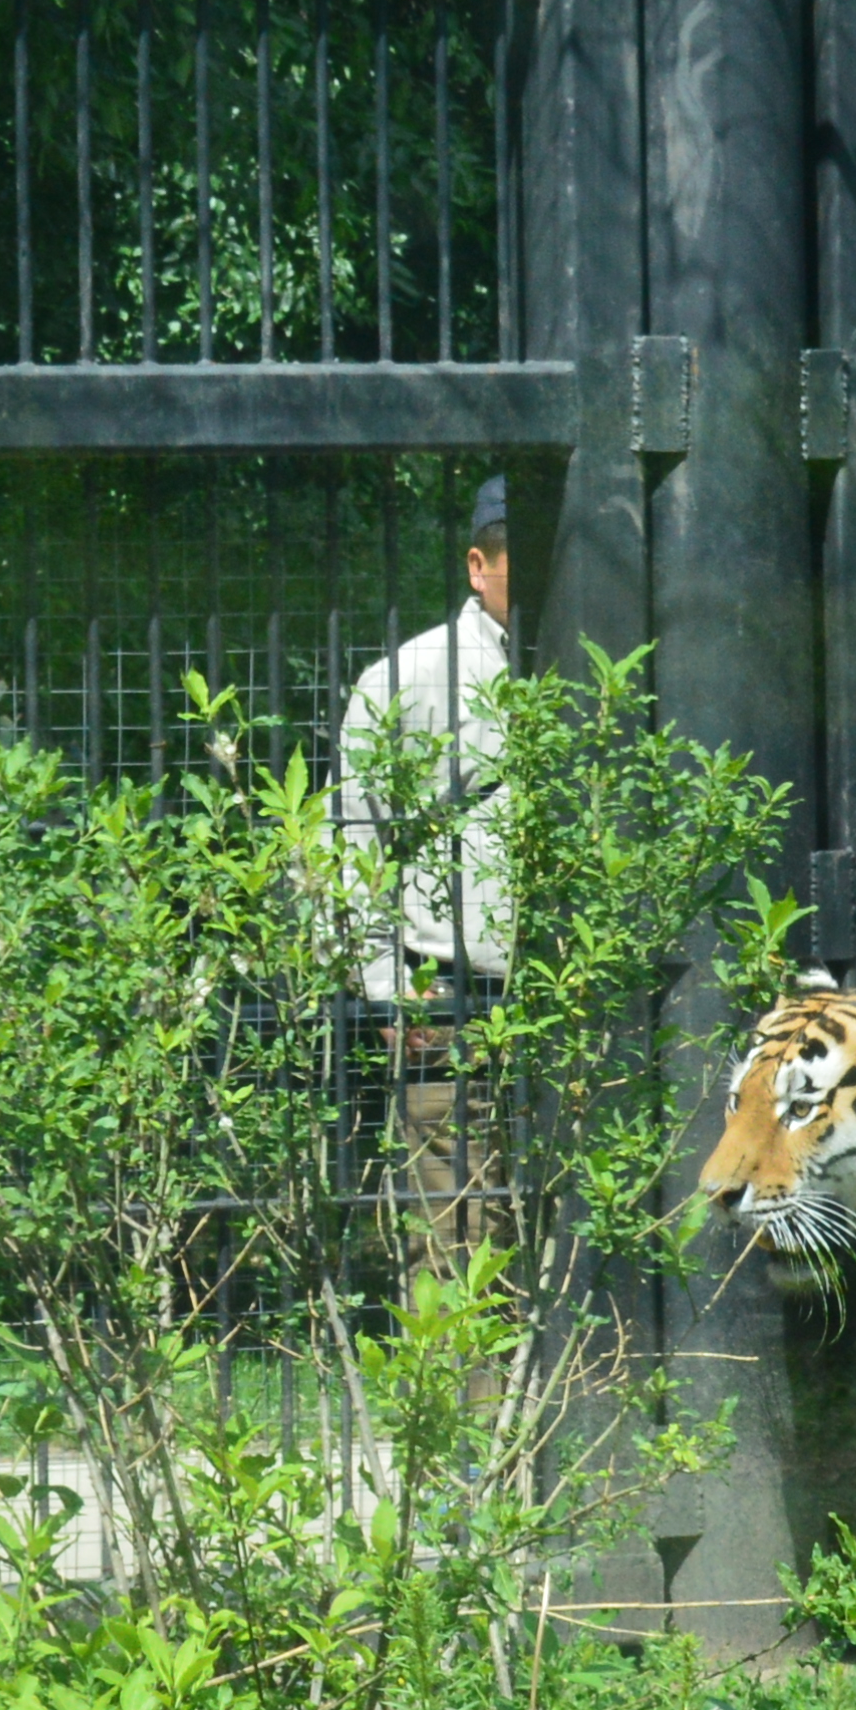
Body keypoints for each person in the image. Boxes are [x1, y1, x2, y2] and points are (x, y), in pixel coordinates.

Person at [339, 476, 519, 1241]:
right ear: (479, 566)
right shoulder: (406, 680)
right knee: (454, 1250)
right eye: (521, 561)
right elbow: (355, 845)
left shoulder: (609, 662)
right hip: (447, 1002)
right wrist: (387, 993)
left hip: (580, 1008)